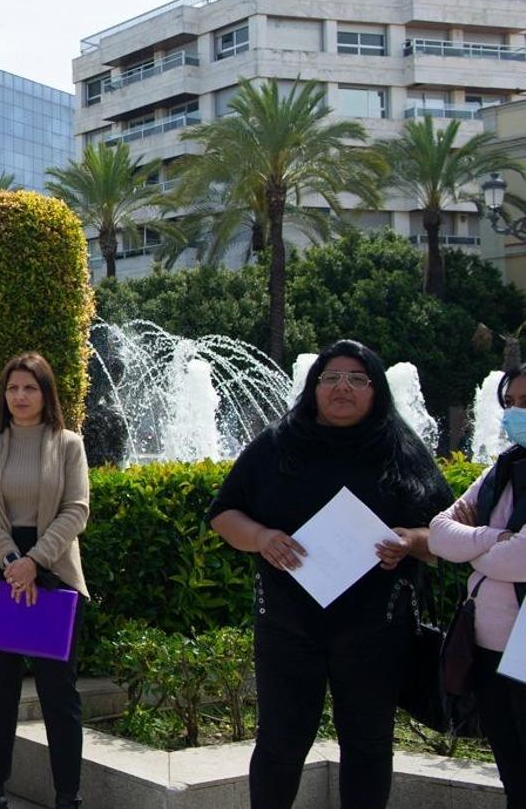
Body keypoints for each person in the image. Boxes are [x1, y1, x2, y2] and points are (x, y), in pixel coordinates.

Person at [208, 341, 449, 809]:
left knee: (369, 745)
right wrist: (260, 537)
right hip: (287, 625)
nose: (343, 387)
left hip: (375, 629)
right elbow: (223, 513)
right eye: (331, 377)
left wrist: (411, 542)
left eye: (358, 379)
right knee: (280, 743)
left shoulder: (401, 449)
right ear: (313, 387)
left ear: (376, 390)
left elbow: (446, 531)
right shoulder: (278, 444)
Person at [0, 355, 91, 809]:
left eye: (29, 388)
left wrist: (34, 562)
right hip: (1, 570)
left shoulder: (68, 443)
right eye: (13, 388)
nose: (20, 397)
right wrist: (13, 559)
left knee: (59, 694)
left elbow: (77, 509)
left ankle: (67, 796)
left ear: (46, 393)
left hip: (53, 573)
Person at [428, 366, 526, 805]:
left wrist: (472, 548)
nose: (519, 413)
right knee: (513, 771)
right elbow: (438, 532)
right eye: (514, 404)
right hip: (489, 650)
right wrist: (492, 539)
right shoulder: (501, 472)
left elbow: (521, 558)